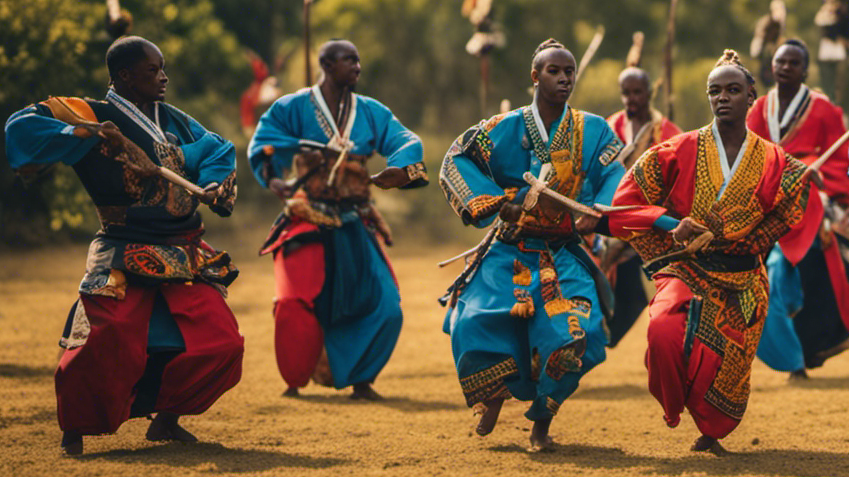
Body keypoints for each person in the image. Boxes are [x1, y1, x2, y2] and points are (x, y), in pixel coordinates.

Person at [5, 36, 244, 455]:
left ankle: (167, 420)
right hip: (122, 247)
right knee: (104, 340)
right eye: (153, 71)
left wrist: (209, 183)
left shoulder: (176, 120)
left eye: (163, 68)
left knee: (221, 341)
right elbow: (20, 125)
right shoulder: (93, 113)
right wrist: (96, 134)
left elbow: (216, 147)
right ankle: (74, 430)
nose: (163, 77)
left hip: (184, 249)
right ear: (124, 76)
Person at [605, 50, 822, 455]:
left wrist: (759, 238)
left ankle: (710, 432)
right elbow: (627, 201)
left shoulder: (773, 159)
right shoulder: (679, 148)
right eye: (715, 91)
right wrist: (673, 225)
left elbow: (796, 193)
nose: (723, 97)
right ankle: (673, 404)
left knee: (726, 362)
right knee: (663, 329)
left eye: (733, 90)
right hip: (689, 267)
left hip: (742, 275)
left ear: (751, 96)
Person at [439, 39, 625, 452]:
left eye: (569, 71)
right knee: (473, 324)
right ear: (534, 76)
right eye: (554, 70)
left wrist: (598, 209)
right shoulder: (502, 126)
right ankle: (492, 396)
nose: (563, 78)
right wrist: (496, 202)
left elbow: (614, 172)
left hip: (562, 254)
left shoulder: (592, 129)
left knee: (574, 336)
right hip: (508, 250)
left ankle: (542, 422)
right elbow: (457, 158)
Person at [248, 39, 428, 401]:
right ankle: (296, 377)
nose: (358, 67)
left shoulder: (371, 111)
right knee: (294, 301)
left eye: (359, 60)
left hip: (355, 219)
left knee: (385, 303)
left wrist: (400, 167)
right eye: (349, 60)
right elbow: (265, 141)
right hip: (306, 217)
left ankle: (361, 380)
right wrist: (276, 177)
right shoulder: (294, 106)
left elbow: (404, 138)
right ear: (327, 66)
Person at [747, 38, 849, 379]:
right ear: (771, 67)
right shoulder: (757, 108)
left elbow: (838, 161)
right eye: (780, 62)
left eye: (793, 63)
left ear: (805, 70)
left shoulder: (825, 110)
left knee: (790, 274)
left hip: (810, 205)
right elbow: (750, 155)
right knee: (762, 280)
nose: (784, 67)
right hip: (764, 203)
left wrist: (819, 181)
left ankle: (800, 358)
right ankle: (789, 356)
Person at [602, 65, 681, 346]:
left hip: (653, 221)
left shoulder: (668, 132)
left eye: (637, 92)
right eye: (626, 93)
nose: (631, 99)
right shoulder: (610, 127)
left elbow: (678, 178)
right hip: (610, 218)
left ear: (649, 93)